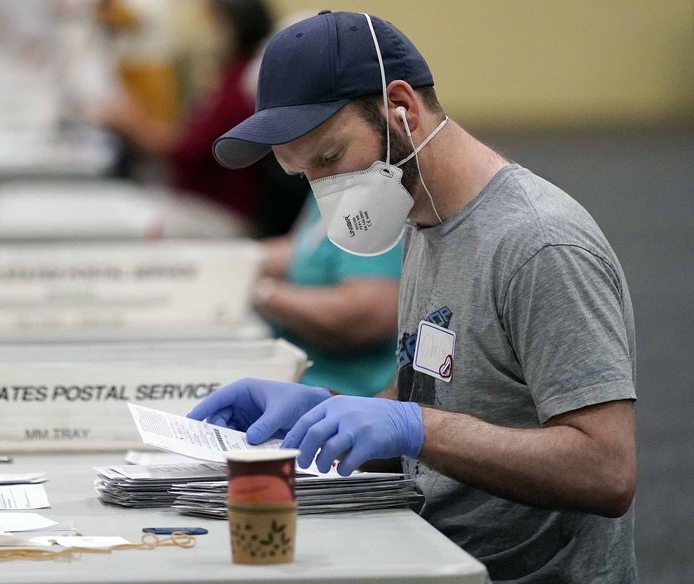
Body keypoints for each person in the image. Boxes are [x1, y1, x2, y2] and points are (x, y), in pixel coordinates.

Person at [187, 11, 637, 582]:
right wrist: (318, 411)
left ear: (400, 107)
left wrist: (413, 428)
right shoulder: (423, 222)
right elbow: (434, 397)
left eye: (330, 158)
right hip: (431, 548)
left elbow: (607, 470)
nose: (329, 192)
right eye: (305, 176)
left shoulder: (538, 244)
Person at [99, 0, 294, 231]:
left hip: (219, 212)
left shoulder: (244, 85)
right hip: (196, 203)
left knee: (118, 222)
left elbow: (189, 150)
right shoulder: (228, 77)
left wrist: (134, 123)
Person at [254, 196, 400, 396]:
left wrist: (266, 294)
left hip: (339, 390)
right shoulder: (329, 189)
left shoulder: (372, 201)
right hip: (295, 373)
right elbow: (302, 253)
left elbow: (366, 314)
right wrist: (234, 261)